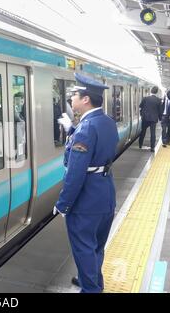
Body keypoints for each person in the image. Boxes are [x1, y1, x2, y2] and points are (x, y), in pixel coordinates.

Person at [55, 73, 119, 293]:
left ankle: (91, 289)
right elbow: (96, 144)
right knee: (96, 247)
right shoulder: (107, 122)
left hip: (86, 201)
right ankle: (90, 280)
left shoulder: (86, 128)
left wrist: (63, 204)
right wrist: (72, 131)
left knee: (83, 248)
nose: (71, 99)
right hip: (105, 194)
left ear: (85, 99)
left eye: (75, 95)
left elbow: (75, 173)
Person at [139, 86, 162, 152]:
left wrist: (142, 114)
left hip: (145, 118)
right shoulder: (158, 100)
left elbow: (140, 106)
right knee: (153, 133)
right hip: (153, 119)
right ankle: (152, 148)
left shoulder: (145, 98)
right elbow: (160, 111)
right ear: (156, 92)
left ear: (151, 91)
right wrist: (160, 119)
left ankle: (140, 144)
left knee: (143, 131)